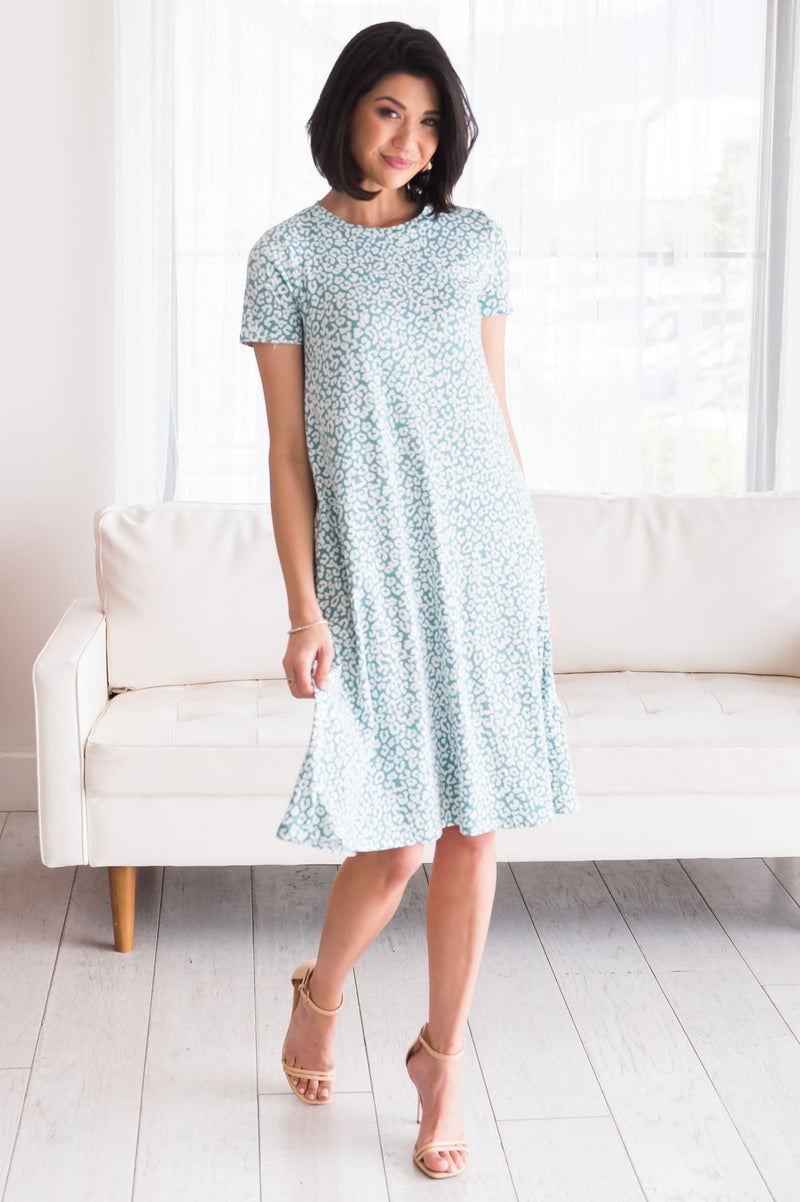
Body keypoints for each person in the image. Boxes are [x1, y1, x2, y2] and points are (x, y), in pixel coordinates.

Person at [239, 20, 580, 1181]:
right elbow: (288, 453)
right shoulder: (287, 256)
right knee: (389, 842)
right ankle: (320, 993)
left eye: (430, 121)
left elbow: (489, 407)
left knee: (472, 827)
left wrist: (520, 561)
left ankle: (441, 1060)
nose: (409, 139)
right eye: (390, 109)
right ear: (346, 107)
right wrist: (303, 609)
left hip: (486, 558)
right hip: (370, 570)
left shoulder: (472, 241)